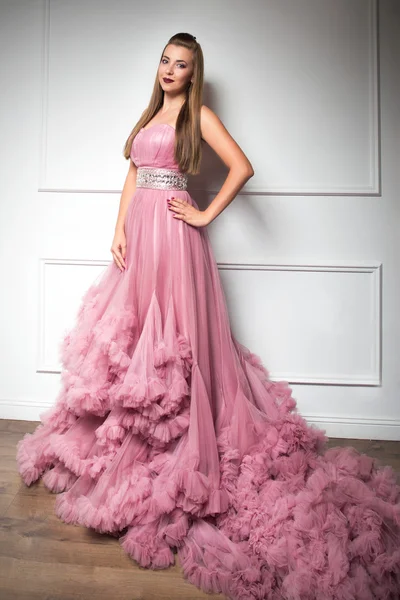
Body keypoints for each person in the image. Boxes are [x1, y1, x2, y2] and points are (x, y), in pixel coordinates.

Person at [16, 32, 400, 600]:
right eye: (166, 60)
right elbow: (132, 174)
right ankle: (137, 433)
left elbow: (243, 167)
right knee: (134, 336)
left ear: (195, 74)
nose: (171, 70)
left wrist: (202, 214)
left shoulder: (201, 116)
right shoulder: (149, 114)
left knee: (175, 344)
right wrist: (118, 228)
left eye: (182, 65)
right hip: (140, 240)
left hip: (175, 239)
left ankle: (181, 439)